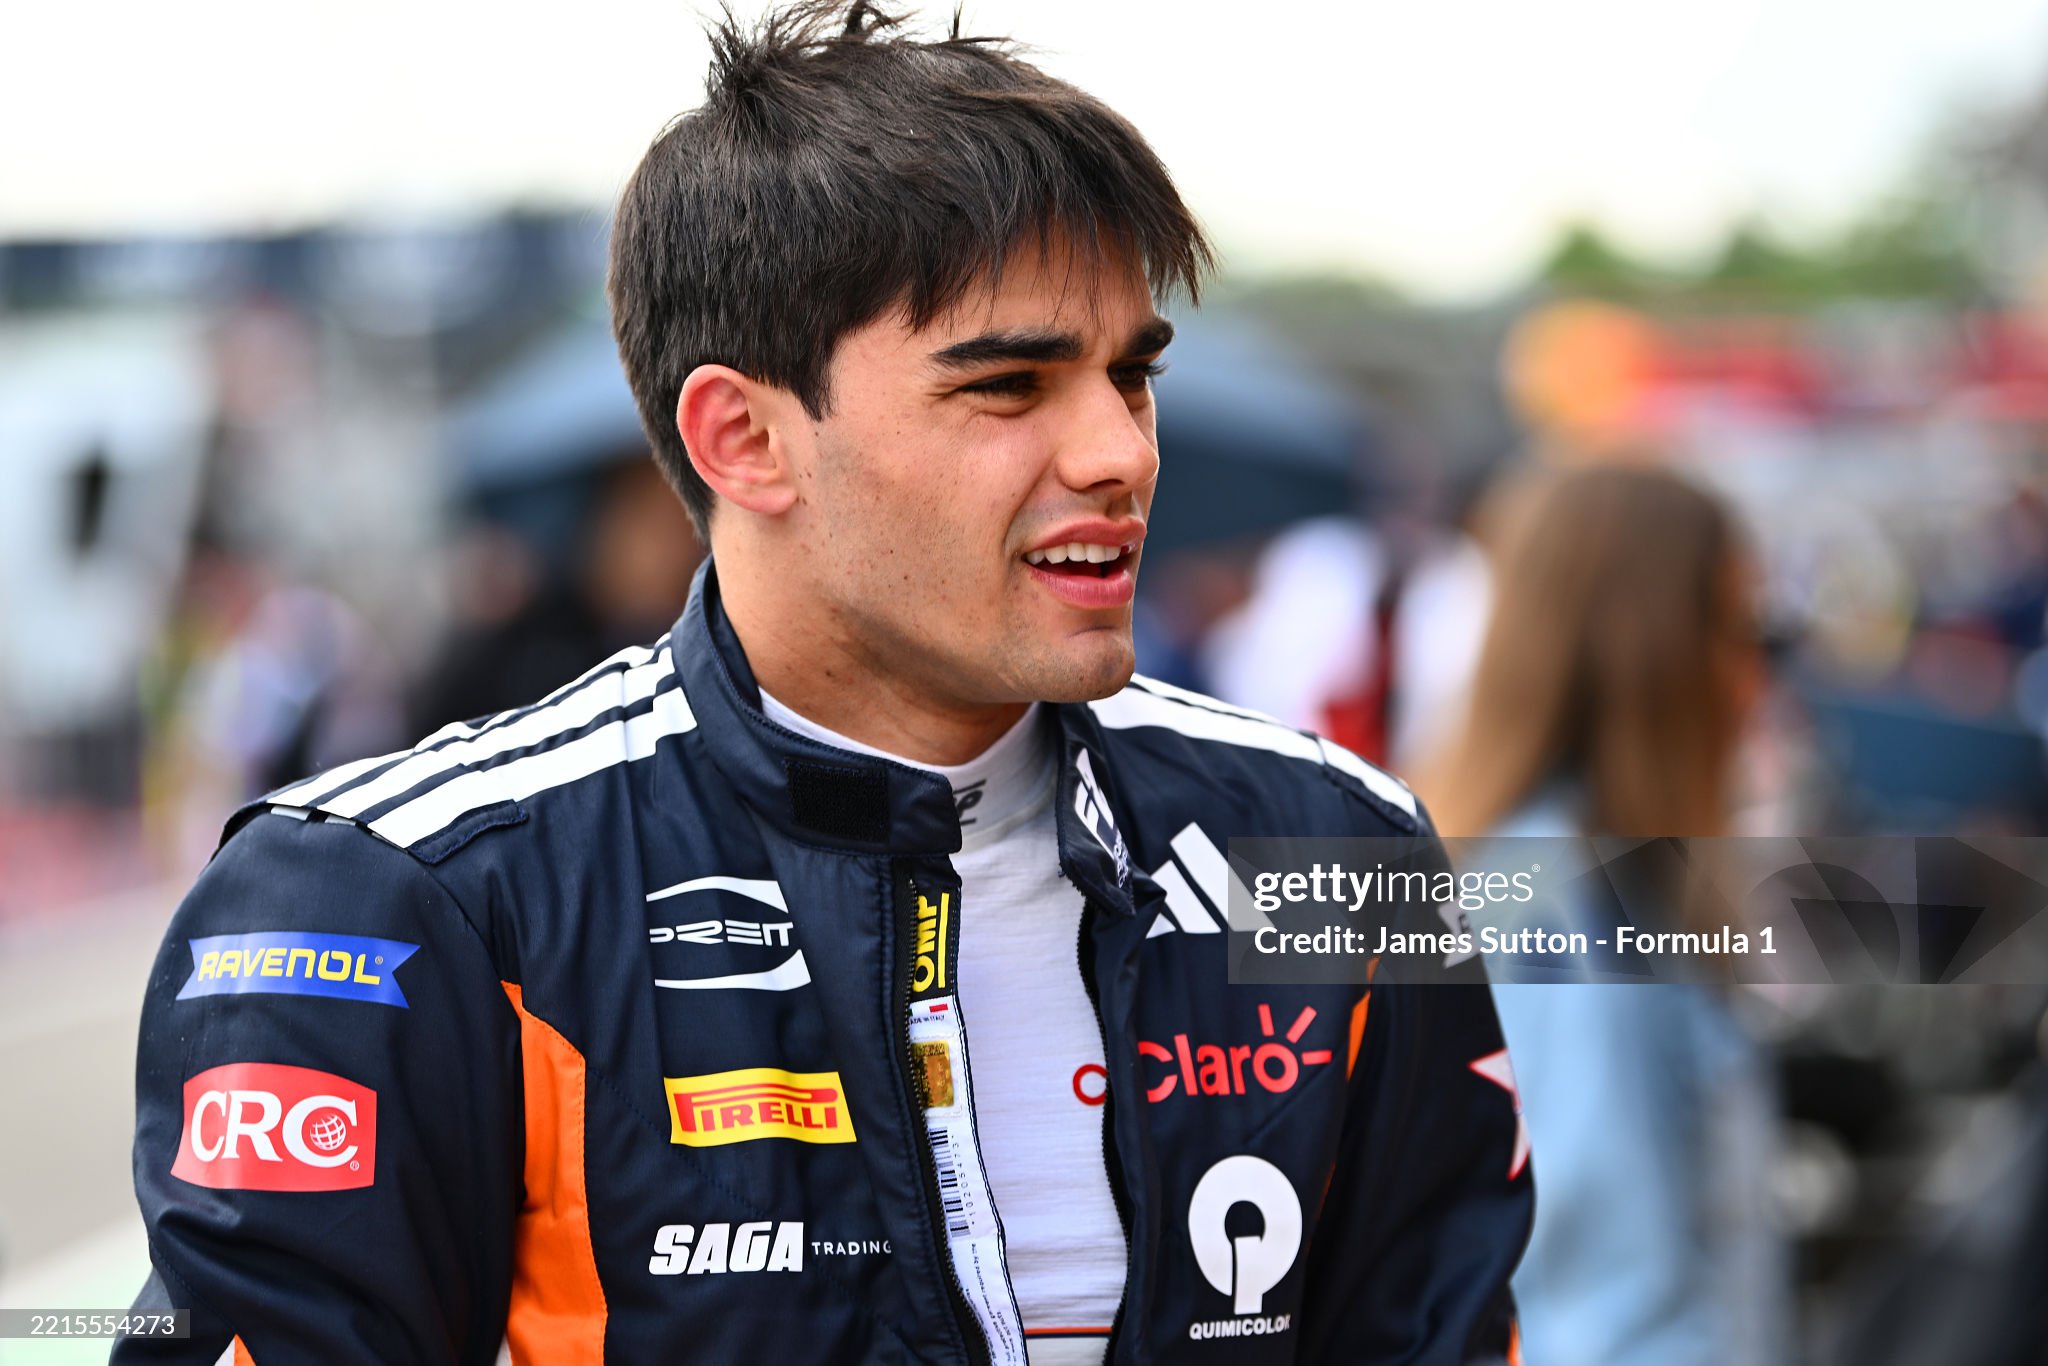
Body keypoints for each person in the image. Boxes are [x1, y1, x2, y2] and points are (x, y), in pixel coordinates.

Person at [118, 5, 1531, 1361]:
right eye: (1009, 385)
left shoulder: (1339, 842)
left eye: (1129, 374)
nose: (1120, 451)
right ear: (743, 441)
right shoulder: (397, 899)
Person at [1423, 462, 1790, 1365]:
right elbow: (1605, 1309)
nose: (1754, 687)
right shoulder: (1568, 912)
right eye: (1739, 634)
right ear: (1655, 652)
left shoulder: (1549, 873)